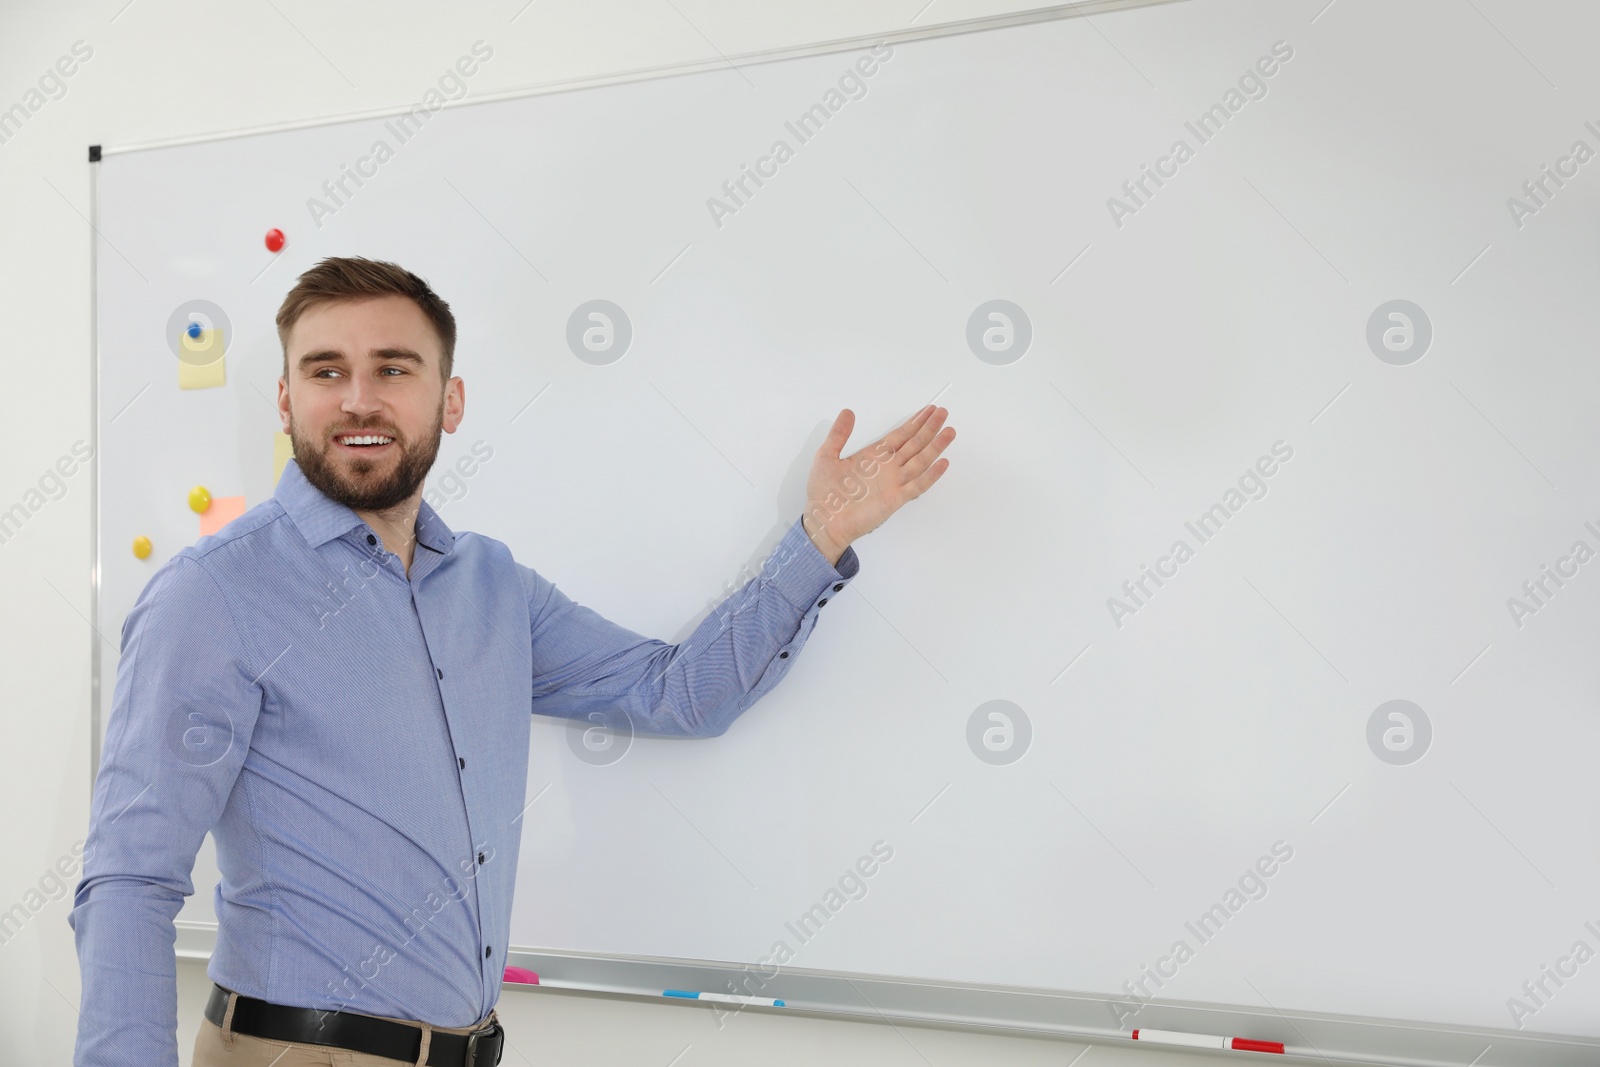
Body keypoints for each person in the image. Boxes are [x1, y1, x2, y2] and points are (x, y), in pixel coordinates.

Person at [69, 256, 955, 1067]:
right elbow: (129, 879)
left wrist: (823, 534)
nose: (358, 400)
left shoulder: (492, 585)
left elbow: (679, 692)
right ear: (286, 398)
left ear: (450, 401)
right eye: (325, 370)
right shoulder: (214, 595)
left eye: (394, 368)